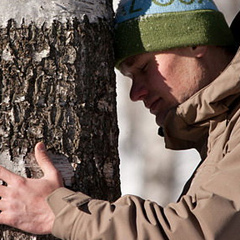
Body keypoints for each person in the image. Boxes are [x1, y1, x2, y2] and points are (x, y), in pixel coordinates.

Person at [0, 0, 240, 239]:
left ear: (195, 41)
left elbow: (196, 231)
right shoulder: (222, 131)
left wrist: (57, 212)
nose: (136, 94)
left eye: (144, 68)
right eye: (130, 77)